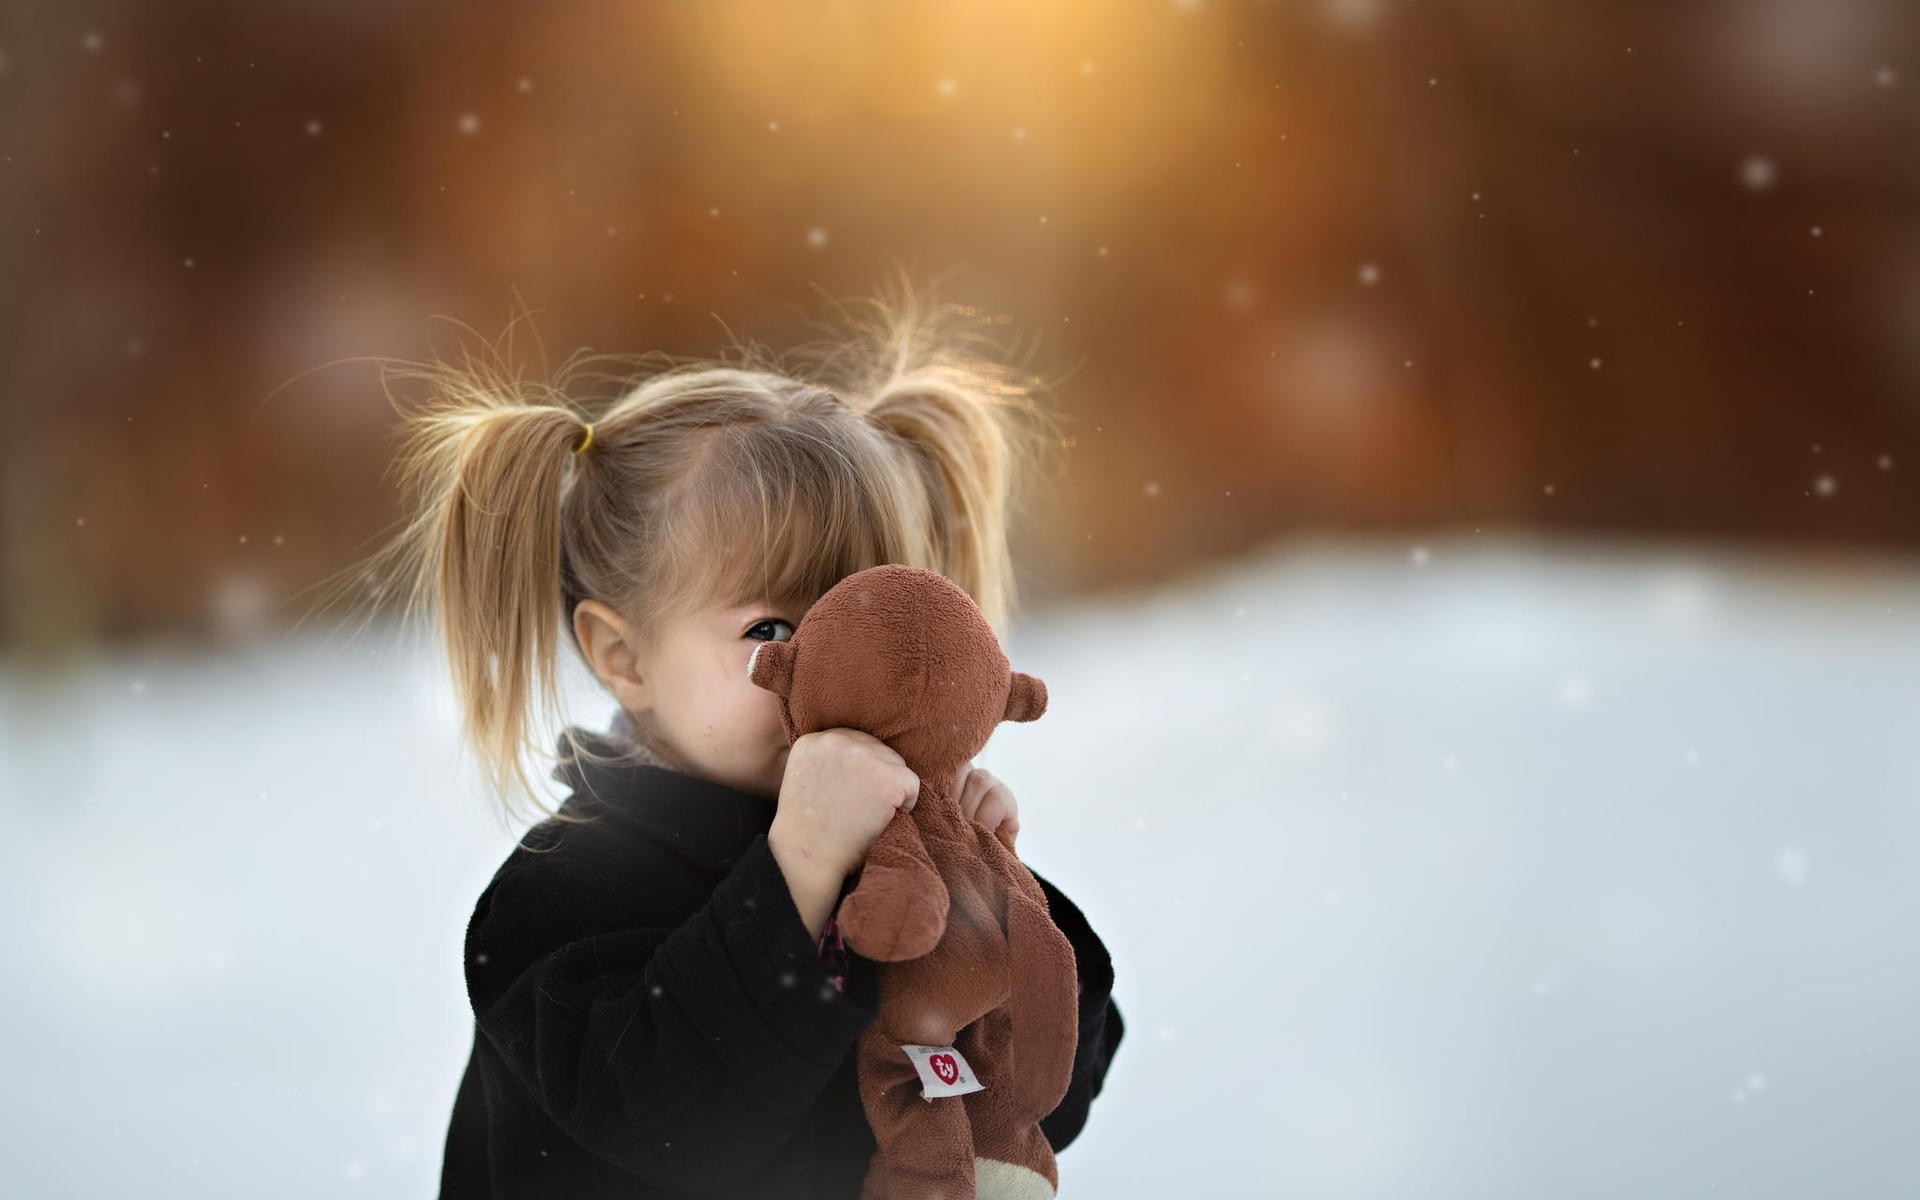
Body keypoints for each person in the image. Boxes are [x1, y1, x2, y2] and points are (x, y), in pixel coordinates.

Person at [344, 272, 1124, 1197]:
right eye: (772, 629)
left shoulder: (902, 859)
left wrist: (997, 893)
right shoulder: (557, 899)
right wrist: (792, 872)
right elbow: (671, 1125)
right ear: (622, 656)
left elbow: (1049, 1100)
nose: (836, 671)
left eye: (868, 612)